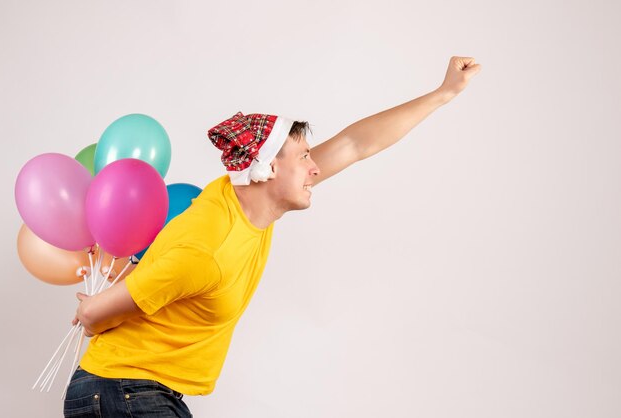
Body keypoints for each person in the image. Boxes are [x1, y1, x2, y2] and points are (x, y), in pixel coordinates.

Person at [65, 56, 482, 417]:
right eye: (304, 158)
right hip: (119, 389)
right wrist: (93, 308)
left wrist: (444, 92)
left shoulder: (245, 203)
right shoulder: (209, 246)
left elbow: (356, 144)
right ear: (266, 170)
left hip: (136, 391)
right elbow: (92, 315)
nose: (315, 168)